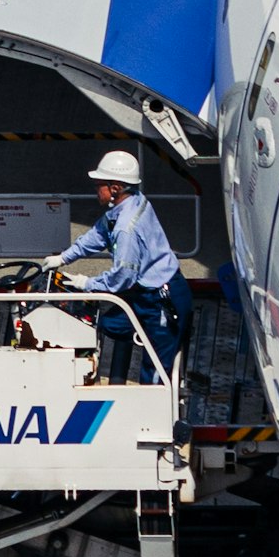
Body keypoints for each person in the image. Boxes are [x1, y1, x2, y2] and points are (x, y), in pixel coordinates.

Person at [50, 149, 189, 384]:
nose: (96, 190)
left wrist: (87, 284)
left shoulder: (127, 228)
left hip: (161, 301)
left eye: (99, 185)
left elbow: (121, 279)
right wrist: (64, 258)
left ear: (115, 188)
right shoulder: (130, 203)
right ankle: (132, 349)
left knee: (155, 371)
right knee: (109, 324)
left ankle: (151, 414)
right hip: (147, 294)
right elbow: (98, 234)